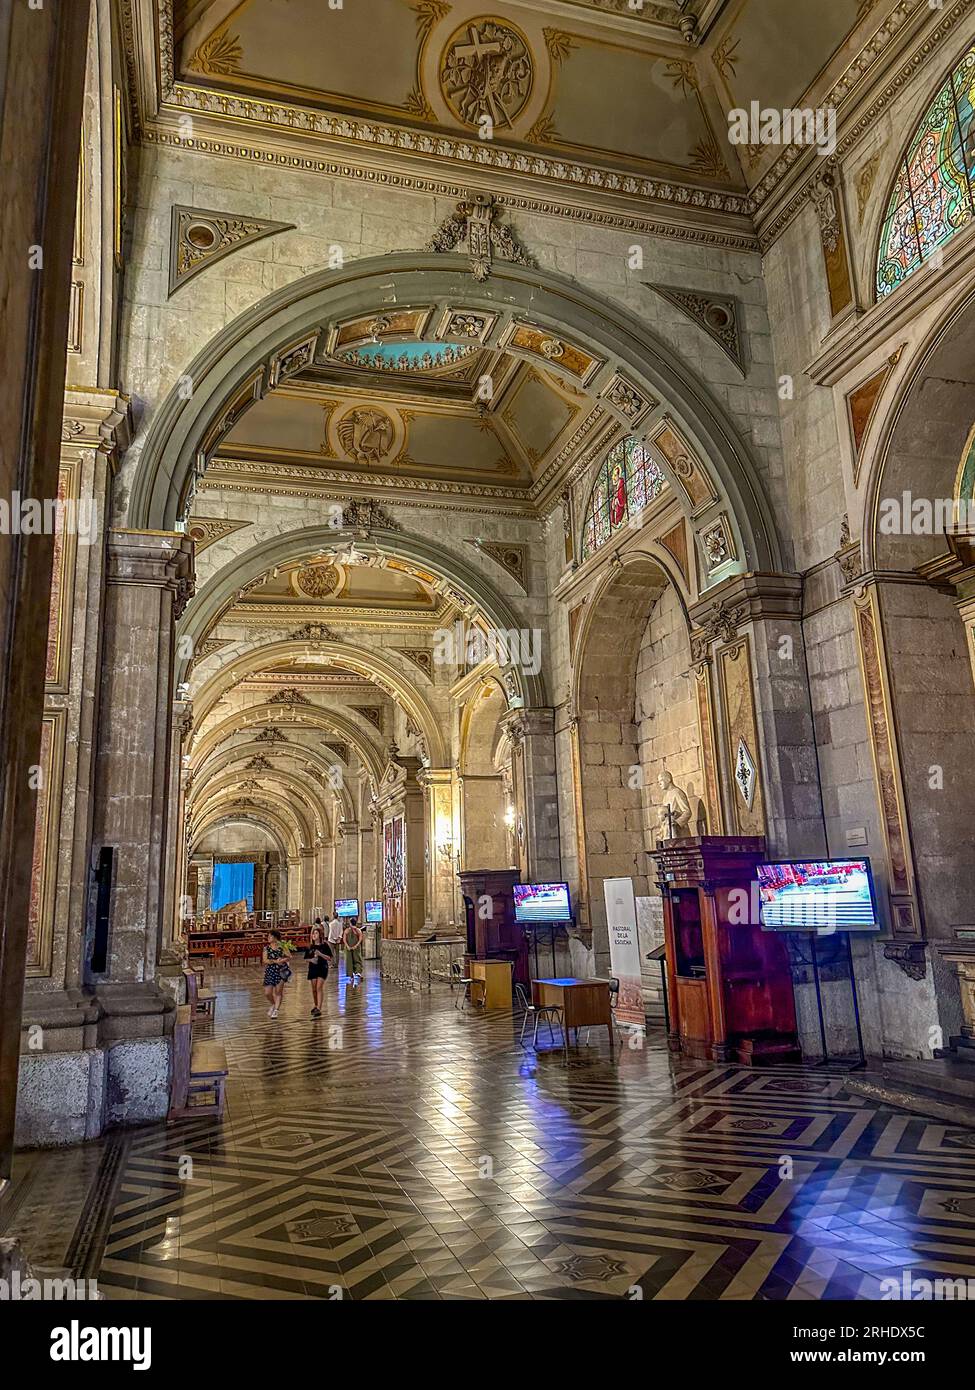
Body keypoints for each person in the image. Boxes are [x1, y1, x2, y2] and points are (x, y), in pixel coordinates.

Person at [305, 924, 333, 1017]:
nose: (314, 935)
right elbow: (306, 958)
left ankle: (319, 1008)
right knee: (314, 989)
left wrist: (320, 954)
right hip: (313, 968)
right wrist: (311, 960)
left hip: (322, 967)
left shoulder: (324, 945)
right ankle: (316, 1005)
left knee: (319, 987)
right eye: (313, 934)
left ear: (319, 935)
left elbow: (329, 958)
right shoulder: (310, 946)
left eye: (316, 933)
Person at [262, 929, 289, 1018]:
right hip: (270, 970)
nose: (268, 938)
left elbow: (289, 956)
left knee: (278, 991)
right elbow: (265, 960)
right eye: (268, 936)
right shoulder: (266, 948)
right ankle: (273, 1004)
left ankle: (276, 1010)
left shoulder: (282, 946)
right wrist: (274, 961)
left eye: (270, 936)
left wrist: (282, 960)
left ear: (275, 937)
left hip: (281, 970)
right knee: (267, 992)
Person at [344, 917, 364, 987]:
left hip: (349, 948)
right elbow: (360, 939)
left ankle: (351, 975)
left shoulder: (347, 930)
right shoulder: (358, 930)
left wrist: (347, 946)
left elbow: (344, 939)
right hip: (356, 948)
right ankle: (358, 972)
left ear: (350, 923)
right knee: (357, 960)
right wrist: (356, 945)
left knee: (349, 961)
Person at [326, 909, 344, 976]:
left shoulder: (331, 924)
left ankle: (332, 964)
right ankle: (337, 964)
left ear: (333, 916)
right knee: (337, 953)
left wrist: (334, 938)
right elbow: (341, 931)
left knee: (331, 952)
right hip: (338, 940)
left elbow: (331, 932)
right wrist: (338, 938)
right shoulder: (340, 924)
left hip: (331, 940)